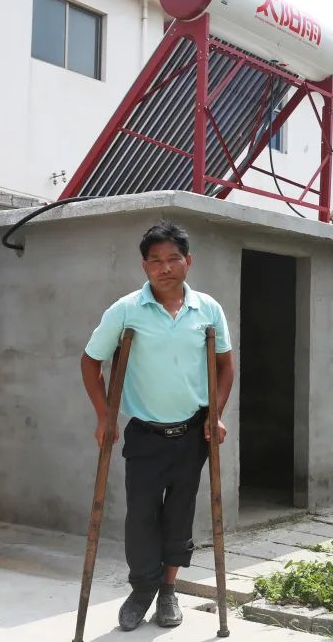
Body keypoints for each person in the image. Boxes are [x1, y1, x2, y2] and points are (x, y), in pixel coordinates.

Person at [81, 222, 234, 632]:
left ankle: (168, 591)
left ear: (188, 261)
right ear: (145, 265)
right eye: (156, 261)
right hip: (145, 434)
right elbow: (91, 361)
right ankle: (141, 590)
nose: (165, 267)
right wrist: (104, 415)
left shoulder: (208, 309)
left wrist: (215, 414)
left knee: (179, 515)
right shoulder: (126, 309)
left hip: (192, 434)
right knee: (141, 517)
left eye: (173, 259)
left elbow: (223, 366)